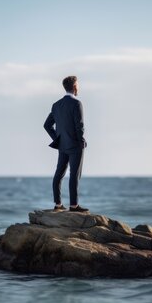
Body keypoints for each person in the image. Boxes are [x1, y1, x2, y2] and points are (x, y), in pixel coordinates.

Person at [43, 76, 89, 213]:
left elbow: (46, 125)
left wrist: (58, 138)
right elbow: (79, 126)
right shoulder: (77, 104)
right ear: (75, 87)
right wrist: (82, 141)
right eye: (78, 85)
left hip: (62, 144)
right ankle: (74, 206)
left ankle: (58, 204)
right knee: (74, 175)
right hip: (75, 145)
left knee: (59, 174)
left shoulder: (56, 105)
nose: (78, 87)